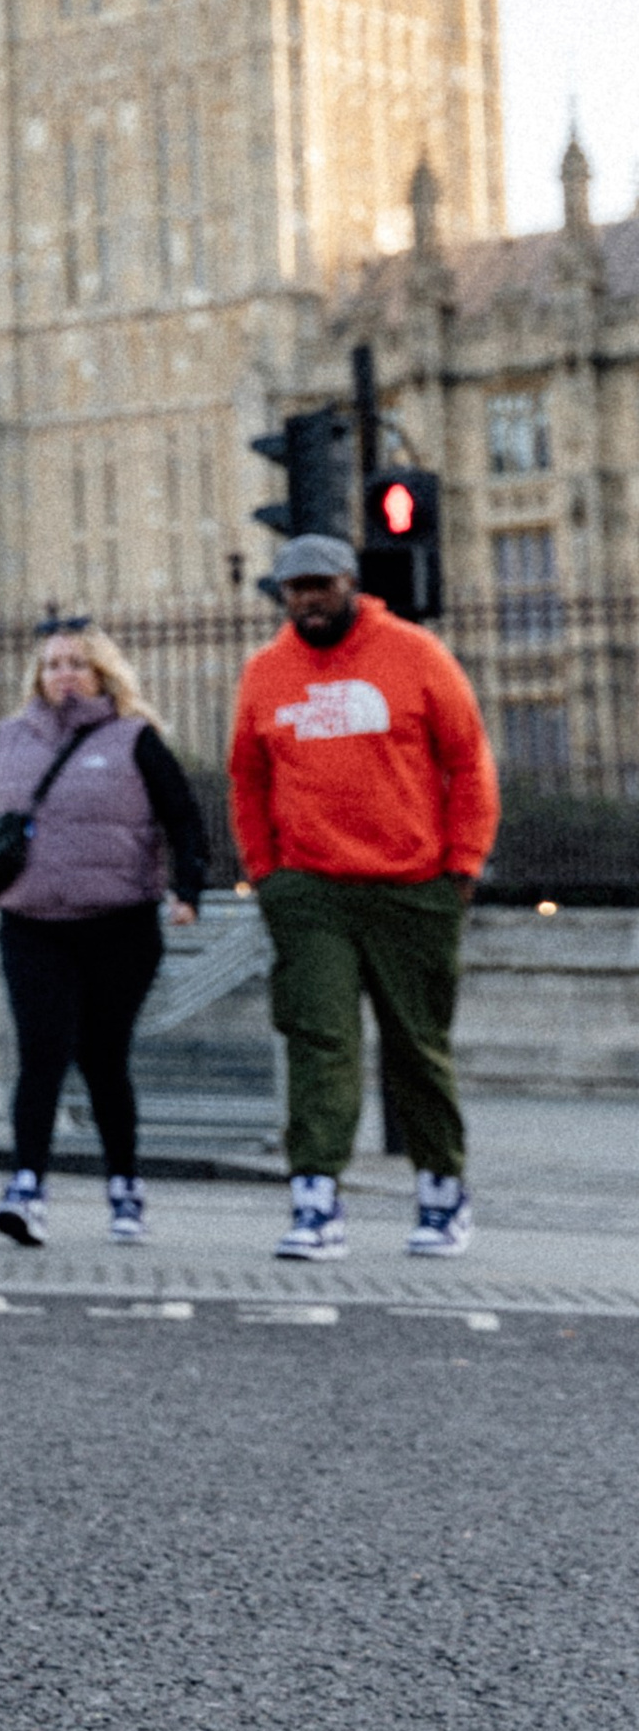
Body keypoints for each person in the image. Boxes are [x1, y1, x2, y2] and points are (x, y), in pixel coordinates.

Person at [228, 531, 499, 1261]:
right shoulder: (266, 672)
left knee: (417, 1047)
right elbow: (247, 778)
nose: (309, 600)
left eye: (321, 585)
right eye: (295, 590)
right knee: (322, 1042)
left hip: (412, 886)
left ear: (349, 583)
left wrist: (462, 867)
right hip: (310, 890)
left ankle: (441, 1192)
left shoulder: (414, 655)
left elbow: (468, 762)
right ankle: (315, 1199)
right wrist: (267, 872)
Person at [0, 620, 207, 1249]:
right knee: (41, 1054)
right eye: (52, 664)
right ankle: (26, 1188)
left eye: (76, 663)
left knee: (103, 1059)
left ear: (102, 672)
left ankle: (125, 1187)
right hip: (33, 923)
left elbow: (183, 816)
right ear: (36, 676)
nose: (63, 674)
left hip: (119, 924)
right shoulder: (8, 740)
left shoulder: (134, 737)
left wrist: (188, 887)